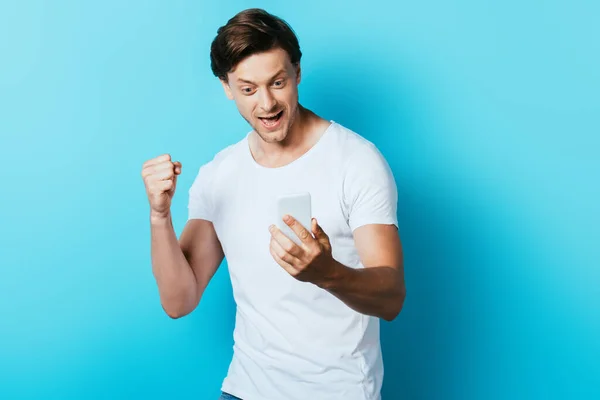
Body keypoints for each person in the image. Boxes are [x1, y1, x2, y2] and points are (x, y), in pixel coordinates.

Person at [140, 8, 406, 400]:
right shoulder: (219, 174)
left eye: (277, 82)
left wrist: (326, 272)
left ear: (297, 73)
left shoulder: (357, 162)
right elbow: (179, 301)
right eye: (248, 89)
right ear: (226, 87)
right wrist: (159, 216)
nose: (266, 104)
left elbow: (391, 297)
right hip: (246, 390)